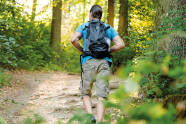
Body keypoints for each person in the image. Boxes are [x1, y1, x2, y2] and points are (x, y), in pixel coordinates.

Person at [70, 5, 125, 123]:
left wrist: (83, 50)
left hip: (88, 62)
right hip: (104, 63)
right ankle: (100, 121)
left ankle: (90, 116)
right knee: (102, 94)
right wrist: (108, 51)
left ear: (91, 14)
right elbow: (121, 44)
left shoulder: (84, 26)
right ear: (101, 16)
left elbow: (73, 39)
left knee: (85, 92)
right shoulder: (108, 27)